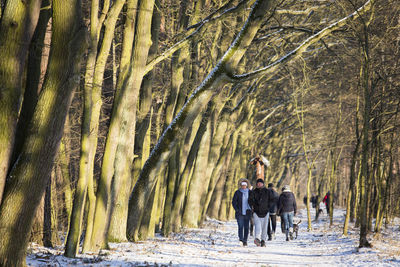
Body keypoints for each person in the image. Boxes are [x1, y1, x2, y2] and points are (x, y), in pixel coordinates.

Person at [249, 179, 272, 247]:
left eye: (260, 183)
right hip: (256, 212)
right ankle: (257, 239)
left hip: (266, 212)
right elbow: (250, 200)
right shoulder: (254, 192)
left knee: (264, 227)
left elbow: (272, 200)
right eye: (258, 183)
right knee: (258, 226)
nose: (259, 184)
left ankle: (263, 240)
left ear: (263, 184)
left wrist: (269, 207)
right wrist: (253, 205)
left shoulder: (267, 191)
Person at [232, 178, 252, 246]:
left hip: (247, 212)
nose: (243, 186)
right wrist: (237, 209)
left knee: (246, 227)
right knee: (240, 226)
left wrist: (251, 208)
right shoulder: (237, 192)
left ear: (247, 185)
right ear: (240, 185)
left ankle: (245, 240)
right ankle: (241, 239)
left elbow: (253, 200)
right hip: (239, 212)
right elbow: (234, 202)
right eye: (242, 185)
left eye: (245, 185)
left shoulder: (250, 192)